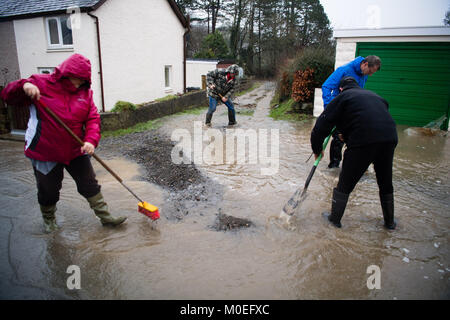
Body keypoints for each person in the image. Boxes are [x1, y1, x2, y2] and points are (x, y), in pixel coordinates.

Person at [0, 53, 126, 233]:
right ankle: (49, 220)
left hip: (76, 149)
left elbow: (93, 119)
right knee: (49, 191)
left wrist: (90, 141)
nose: (78, 83)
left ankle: (106, 217)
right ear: (66, 73)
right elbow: (7, 96)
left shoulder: (86, 93)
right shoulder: (40, 83)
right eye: (76, 78)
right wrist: (23, 86)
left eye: (82, 80)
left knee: (89, 184)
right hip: (45, 151)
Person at [311, 77, 398, 230]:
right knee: (385, 182)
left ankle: (334, 220)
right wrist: (346, 134)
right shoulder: (376, 97)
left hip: (363, 140)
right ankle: (390, 223)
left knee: (345, 183)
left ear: (340, 89)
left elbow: (320, 127)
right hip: (389, 138)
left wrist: (317, 150)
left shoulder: (343, 97)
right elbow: (366, 118)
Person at [321, 55, 381, 168]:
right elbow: (326, 87)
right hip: (340, 110)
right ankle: (334, 166)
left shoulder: (364, 75)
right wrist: (329, 106)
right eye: (370, 71)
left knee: (357, 138)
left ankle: (355, 167)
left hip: (353, 112)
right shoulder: (344, 70)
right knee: (338, 138)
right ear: (365, 64)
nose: (371, 74)